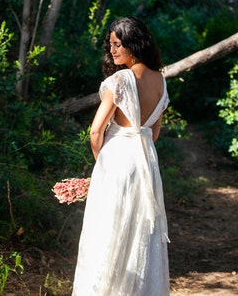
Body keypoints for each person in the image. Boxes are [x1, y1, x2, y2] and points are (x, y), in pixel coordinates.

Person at [72, 16, 170, 296]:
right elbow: (154, 133)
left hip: (116, 159)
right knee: (140, 229)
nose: (112, 51)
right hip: (146, 162)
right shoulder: (161, 81)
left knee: (107, 229)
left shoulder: (120, 80)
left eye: (118, 44)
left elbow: (95, 131)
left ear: (134, 44)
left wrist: (101, 164)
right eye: (110, 45)